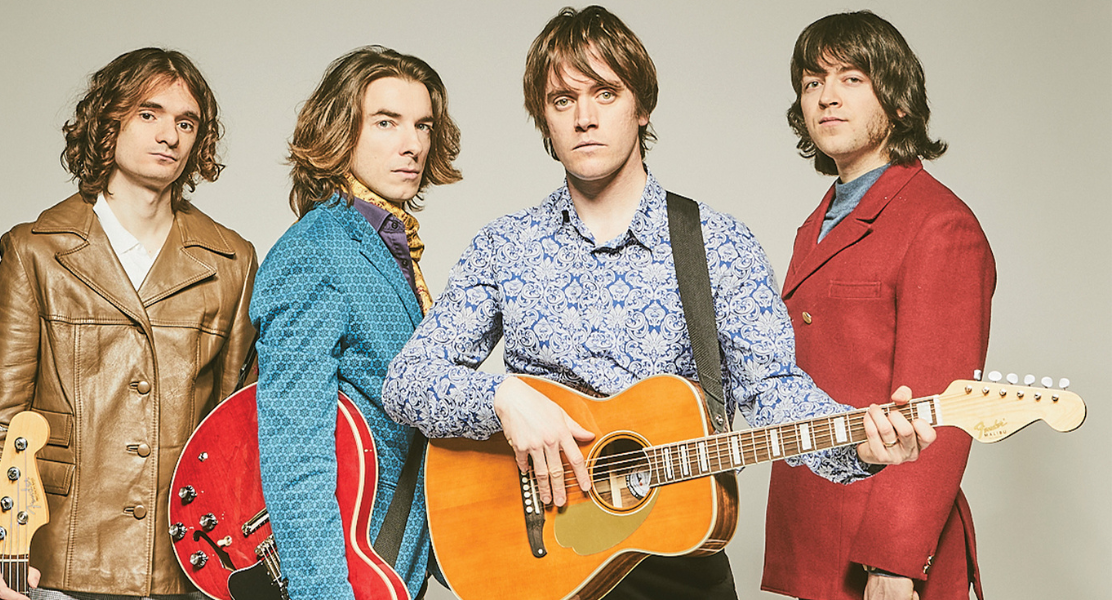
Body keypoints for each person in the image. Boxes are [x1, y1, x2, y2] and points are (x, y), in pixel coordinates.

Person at [383, 6, 933, 600]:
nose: (585, 118)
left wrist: (857, 442)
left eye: (605, 93)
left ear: (641, 107)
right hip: (543, 561)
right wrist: (504, 397)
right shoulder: (504, 247)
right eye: (563, 100)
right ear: (544, 119)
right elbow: (407, 380)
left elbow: (772, 390)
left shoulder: (719, 244)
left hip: (679, 559)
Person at [0, 48, 257, 600]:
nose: (169, 135)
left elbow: (234, 428)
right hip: (60, 557)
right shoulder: (36, 253)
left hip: (184, 564)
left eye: (186, 122)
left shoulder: (231, 261)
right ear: (110, 122)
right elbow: (0, 415)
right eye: (148, 114)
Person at [762, 11, 995, 600]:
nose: (827, 97)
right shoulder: (815, 225)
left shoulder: (940, 225)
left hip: (881, 552)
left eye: (851, 78)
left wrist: (893, 560)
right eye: (813, 83)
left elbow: (939, 411)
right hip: (812, 535)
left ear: (896, 100)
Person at [250, 46, 461, 600]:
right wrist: (325, 594)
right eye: (386, 123)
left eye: (422, 125)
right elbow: (295, 446)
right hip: (346, 568)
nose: (411, 144)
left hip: (393, 564)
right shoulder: (314, 252)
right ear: (341, 131)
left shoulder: (388, 247)